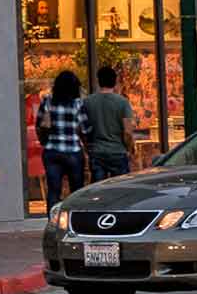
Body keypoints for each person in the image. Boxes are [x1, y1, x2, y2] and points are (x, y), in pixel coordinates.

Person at [37, 69, 87, 207]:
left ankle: (53, 224)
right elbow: (85, 129)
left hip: (52, 151)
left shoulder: (47, 101)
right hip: (73, 151)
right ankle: (74, 224)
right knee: (76, 192)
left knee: (53, 192)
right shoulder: (78, 103)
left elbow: (39, 125)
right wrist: (88, 148)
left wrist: (44, 142)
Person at [80, 64, 136, 184]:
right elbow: (127, 131)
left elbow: (82, 129)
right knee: (121, 191)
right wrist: (129, 148)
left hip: (97, 152)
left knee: (98, 191)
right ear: (115, 81)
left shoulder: (88, 102)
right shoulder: (123, 102)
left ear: (98, 81)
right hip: (118, 151)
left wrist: (87, 147)